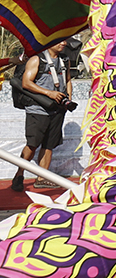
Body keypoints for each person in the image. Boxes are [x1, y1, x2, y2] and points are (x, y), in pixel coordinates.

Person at [9, 40, 72, 192]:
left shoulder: (64, 60)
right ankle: (19, 175)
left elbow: (68, 80)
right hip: (38, 109)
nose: (63, 43)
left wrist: (68, 99)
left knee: (49, 144)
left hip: (57, 109)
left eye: (65, 40)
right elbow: (26, 83)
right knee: (32, 144)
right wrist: (48, 93)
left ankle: (42, 178)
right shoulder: (37, 59)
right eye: (59, 41)